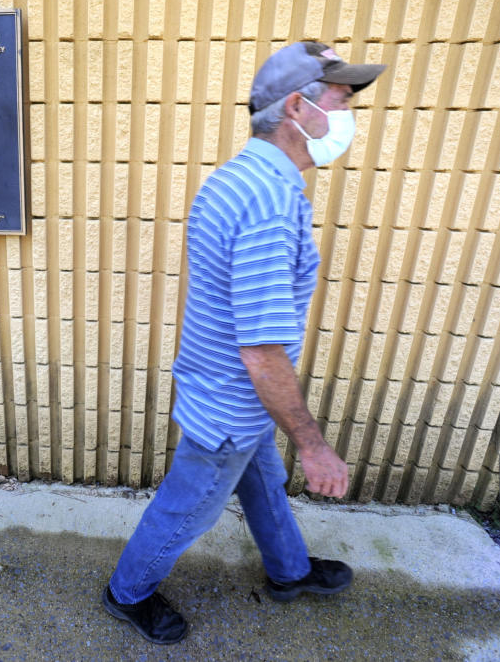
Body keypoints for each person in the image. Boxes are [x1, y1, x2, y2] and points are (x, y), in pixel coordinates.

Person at [101, 41, 386, 645]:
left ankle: (289, 571)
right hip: (231, 400)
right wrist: (313, 445)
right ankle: (127, 592)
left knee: (260, 481)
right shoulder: (267, 204)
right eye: (340, 98)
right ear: (296, 109)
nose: (348, 111)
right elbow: (260, 351)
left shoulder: (239, 178)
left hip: (222, 385)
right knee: (189, 507)